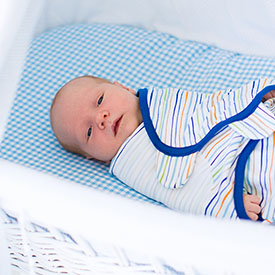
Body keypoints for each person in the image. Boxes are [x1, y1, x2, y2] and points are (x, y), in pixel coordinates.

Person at [50, 75, 275, 223]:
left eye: (100, 100)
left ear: (121, 87)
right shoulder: (131, 161)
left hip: (253, 130)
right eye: (89, 132)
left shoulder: (162, 101)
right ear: (93, 157)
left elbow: (208, 105)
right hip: (245, 172)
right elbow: (180, 194)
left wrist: (250, 98)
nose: (101, 118)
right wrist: (228, 204)